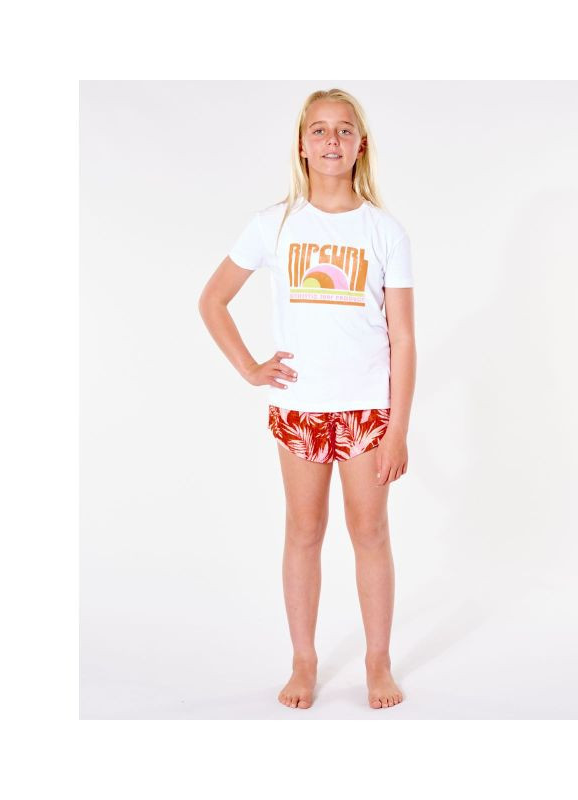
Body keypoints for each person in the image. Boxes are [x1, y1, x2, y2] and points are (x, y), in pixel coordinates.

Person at [198, 88, 416, 710]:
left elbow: (402, 335)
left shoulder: (384, 230)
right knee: (303, 529)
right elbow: (212, 300)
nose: (331, 140)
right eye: (318, 130)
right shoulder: (275, 224)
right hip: (300, 408)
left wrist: (397, 429)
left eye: (344, 129)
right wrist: (250, 368)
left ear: (360, 144)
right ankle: (304, 660)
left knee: (370, 531)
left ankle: (378, 661)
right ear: (301, 144)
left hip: (367, 411)